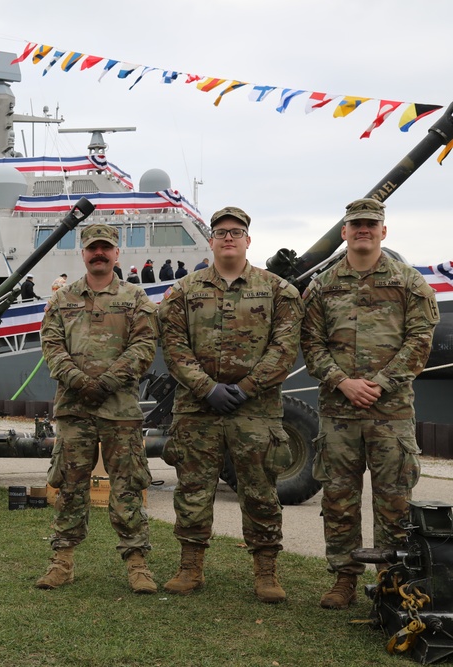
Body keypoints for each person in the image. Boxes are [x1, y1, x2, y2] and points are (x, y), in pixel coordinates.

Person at [158, 206, 302, 603]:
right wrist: (207, 388)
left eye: (236, 232)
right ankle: (190, 568)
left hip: (255, 410)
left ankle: (266, 572)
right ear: (211, 240)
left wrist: (247, 386)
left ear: (248, 240)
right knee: (193, 489)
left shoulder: (278, 291)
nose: (228, 238)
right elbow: (172, 346)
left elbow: (285, 346)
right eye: (220, 232)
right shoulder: (183, 292)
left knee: (260, 491)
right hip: (197, 409)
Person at [301, 198, 438, 610]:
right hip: (339, 413)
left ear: (384, 232)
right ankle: (344, 577)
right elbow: (310, 343)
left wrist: (377, 384)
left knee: (394, 501)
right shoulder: (323, 286)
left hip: (390, 413)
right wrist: (342, 382)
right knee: (338, 498)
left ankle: (392, 581)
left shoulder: (409, 283)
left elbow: (419, 343)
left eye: (371, 225)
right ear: (344, 232)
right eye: (356, 224)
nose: (363, 230)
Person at [36, 223, 158, 594]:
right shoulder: (62, 300)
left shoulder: (137, 299)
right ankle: (62, 562)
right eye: (93, 248)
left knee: (127, 486)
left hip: (119, 409)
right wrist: (78, 381)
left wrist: (106, 381)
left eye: (106, 248)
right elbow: (51, 347)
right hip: (75, 410)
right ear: (84, 253)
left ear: (116, 253)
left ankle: (137, 564)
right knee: (70, 486)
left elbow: (144, 347)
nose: (99, 254)